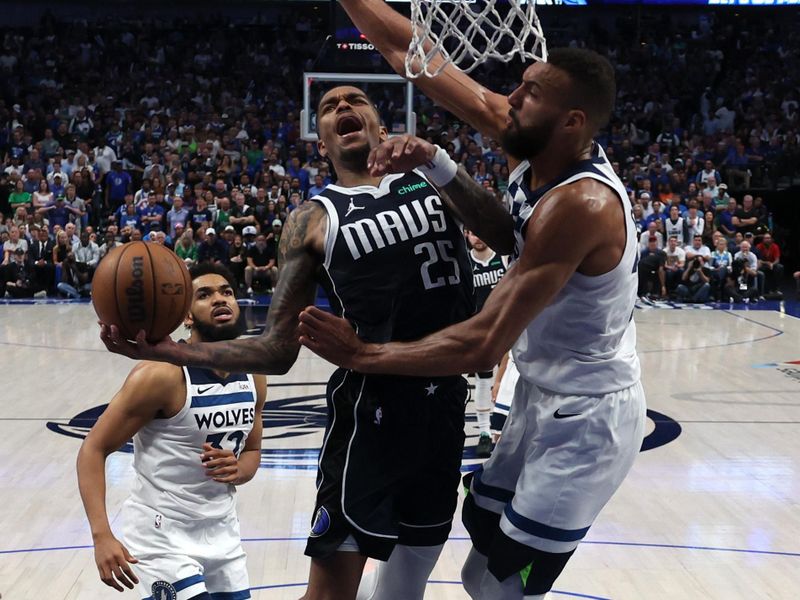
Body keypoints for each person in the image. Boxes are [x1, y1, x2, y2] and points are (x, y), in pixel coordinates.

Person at [99, 84, 511, 600]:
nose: (342, 107)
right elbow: (277, 349)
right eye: (328, 106)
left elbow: (506, 235)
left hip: (445, 403)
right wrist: (167, 351)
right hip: (370, 413)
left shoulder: (433, 179)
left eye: (355, 100)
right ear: (320, 143)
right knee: (331, 594)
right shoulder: (311, 219)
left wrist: (438, 161)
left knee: (408, 585)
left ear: (383, 128)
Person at [296, 7, 645, 598]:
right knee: (476, 573)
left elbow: (484, 340)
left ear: (572, 121)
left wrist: (363, 354)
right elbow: (417, 56)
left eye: (529, 94)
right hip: (540, 394)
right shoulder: (539, 144)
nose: (509, 98)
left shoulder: (578, 206)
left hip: (587, 420)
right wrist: (437, 161)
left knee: (502, 589)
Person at [78, 263, 266, 598]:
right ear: (186, 316)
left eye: (227, 292)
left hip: (222, 531)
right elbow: (93, 449)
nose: (220, 299)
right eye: (204, 294)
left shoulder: (254, 373)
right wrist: (101, 535)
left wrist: (238, 469)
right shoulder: (162, 376)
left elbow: (252, 452)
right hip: (161, 534)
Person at [467, 229, 507, 457]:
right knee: (484, 383)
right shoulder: (464, 262)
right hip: (482, 334)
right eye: (472, 233)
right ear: (466, 235)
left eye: (481, 233)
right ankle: (484, 432)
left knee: (510, 383)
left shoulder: (502, 258)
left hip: (509, 330)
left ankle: (505, 428)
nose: (478, 237)